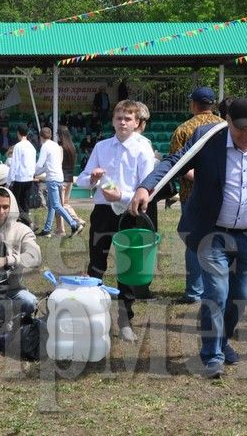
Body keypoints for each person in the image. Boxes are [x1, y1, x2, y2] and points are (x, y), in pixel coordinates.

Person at [129, 97, 247, 378]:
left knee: (239, 296)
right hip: (212, 232)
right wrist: (146, 187)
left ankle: (223, 340)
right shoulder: (207, 137)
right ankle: (211, 354)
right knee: (216, 292)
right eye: (241, 130)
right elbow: (175, 162)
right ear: (228, 124)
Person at [76, 100, 158, 343]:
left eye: (128, 118)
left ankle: (125, 320)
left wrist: (121, 195)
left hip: (131, 212)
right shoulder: (101, 147)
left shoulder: (143, 149)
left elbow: (148, 188)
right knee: (97, 264)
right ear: (113, 120)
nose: (123, 122)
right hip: (103, 211)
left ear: (136, 123)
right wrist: (92, 177)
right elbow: (81, 179)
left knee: (128, 269)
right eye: (119, 117)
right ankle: (94, 316)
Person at [169, 86, 224, 304]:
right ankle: (218, 289)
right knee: (220, 242)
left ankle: (194, 291)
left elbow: (177, 164)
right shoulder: (225, 126)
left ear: (193, 104)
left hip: (191, 195)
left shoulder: (183, 129)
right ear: (212, 105)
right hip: (222, 194)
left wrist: (201, 179)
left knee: (194, 242)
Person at [0, 187, 42, 315]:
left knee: (31, 302)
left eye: (5, 207)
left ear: (12, 207)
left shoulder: (23, 230)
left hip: (13, 290)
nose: (1, 211)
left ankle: (7, 314)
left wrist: (7, 260)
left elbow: (35, 257)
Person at [34, 127, 84, 238]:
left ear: (41, 137)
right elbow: (48, 165)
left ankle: (74, 225)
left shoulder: (45, 146)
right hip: (59, 177)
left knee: (56, 205)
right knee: (52, 205)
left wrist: (33, 172)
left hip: (52, 179)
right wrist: (38, 171)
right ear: (51, 135)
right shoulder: (55, 146)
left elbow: (40, 164)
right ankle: (47, 230)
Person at [54, 125, 84, 236]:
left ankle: (63, 228)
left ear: (60, 135)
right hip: (70, 178)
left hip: (62, 179)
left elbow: (58, 164)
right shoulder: (72, 147)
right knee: (65, 204)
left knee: (59, 206)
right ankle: (64, 227)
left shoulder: (60, 148)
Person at [7, 124, 36, 227]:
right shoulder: (32, 147)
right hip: (29, 178)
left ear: (18, 133)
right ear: (27, 133)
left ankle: (28, 222)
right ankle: (26, 224)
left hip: (20, 178)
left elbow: (15, 164)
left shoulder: (18, 146)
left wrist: (9, 180)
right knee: (25, 202)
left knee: (16, 202)